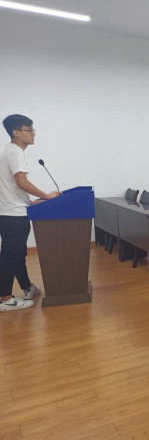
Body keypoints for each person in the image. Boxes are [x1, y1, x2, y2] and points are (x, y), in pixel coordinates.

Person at [0, 114, 60, 311]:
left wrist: (28, 201)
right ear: (16, 132)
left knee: (17, 253)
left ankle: (27, 288)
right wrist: (47, 196)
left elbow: (11, 185)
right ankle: (4, 299)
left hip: (11, 210)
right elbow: (22, 182)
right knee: (10, 256)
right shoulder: (15, 151)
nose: (33, 134)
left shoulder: (8, 151)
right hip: (13, 215)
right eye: (29, 130)